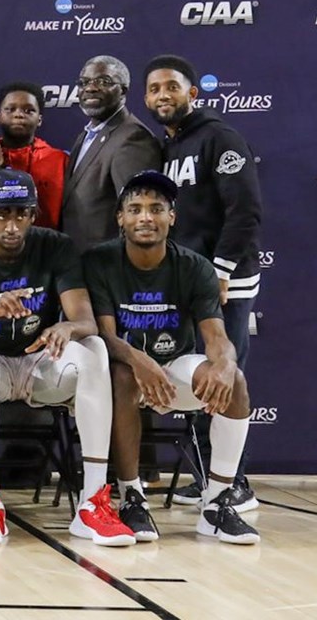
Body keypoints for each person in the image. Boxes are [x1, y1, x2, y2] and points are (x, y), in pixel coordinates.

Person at [0, 169, 133, 547]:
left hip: (38, 364)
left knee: (92, 349)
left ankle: (93, 503)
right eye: (1, 214)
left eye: (20, 214)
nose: (11, 225)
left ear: (33, 215)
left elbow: (86, 321)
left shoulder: (56, 246)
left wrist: (66, 329)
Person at [89, 171, 259, 545]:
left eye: (156, 209)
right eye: (134, 209)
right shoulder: (100, 261)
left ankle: (217, 503)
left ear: (172, 216)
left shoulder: (195, 265)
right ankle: (132, 495)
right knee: (120, 374)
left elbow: (215, 335)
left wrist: (226, 364)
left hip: (172, 371)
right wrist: (138, 360)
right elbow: (104, 335)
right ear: (120, 218)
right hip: (123, 373)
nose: (145, 217)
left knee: (237, 382)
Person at [143, 54, 264, 508]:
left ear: (192, 92)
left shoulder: (219, 137)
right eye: (154, 89)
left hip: (224, 285)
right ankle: (209, 479)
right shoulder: (167, 147)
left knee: (225, 376)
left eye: (171, 87)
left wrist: (220, 272)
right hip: (187, 285)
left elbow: (246, 212)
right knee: (197, 384)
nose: (162, 96)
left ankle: (236, 485)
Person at [59, 56, 162, 251]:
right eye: (84, 82)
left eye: (103, 81)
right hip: (77, 261)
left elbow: (137, 217)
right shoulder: (86, 135)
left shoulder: (134, 139)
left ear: (123, 90)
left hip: (107, 267)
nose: (90, 88)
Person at [0, 81, 67, 230]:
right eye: (10, 109)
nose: (18, 114)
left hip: (48, 246)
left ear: (40, 119)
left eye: (29, 110)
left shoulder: (60, 160)